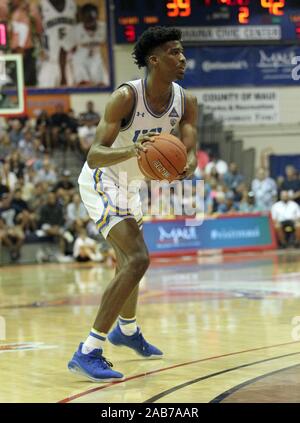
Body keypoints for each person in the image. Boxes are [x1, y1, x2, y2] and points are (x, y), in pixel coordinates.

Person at [68, 26, 198, 382]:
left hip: (133, 186)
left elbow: (191, 148)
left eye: (182, 52)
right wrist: (133, 149)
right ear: (154, 60)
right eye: (174, 52)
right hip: (103, 181)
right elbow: (94, 155)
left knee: (129, 263)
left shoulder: (186, 101)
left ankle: (125, 330)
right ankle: (89, 350)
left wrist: (188, 166)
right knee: (138, 258)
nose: (182, 58)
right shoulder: (126, 98)